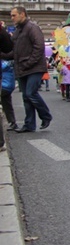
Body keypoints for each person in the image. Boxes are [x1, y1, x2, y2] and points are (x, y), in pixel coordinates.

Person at [9, 7, 53, 133]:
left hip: (34, 67)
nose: (12, 18)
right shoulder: (18, 30)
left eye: (14, 15)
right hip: (22, 67)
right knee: (26, 97)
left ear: (22, 14)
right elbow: (15, 51)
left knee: (30, 93)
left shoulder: (32, 27)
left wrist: (29, 63)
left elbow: (39, 47)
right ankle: (29, 124)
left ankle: (46, 116)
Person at [0, 21, 14, 149]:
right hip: (5, 77)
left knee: (5, 98)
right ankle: (12, 121)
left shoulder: (3, 33)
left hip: (5, 76)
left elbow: (10, 52)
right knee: (5, 100)